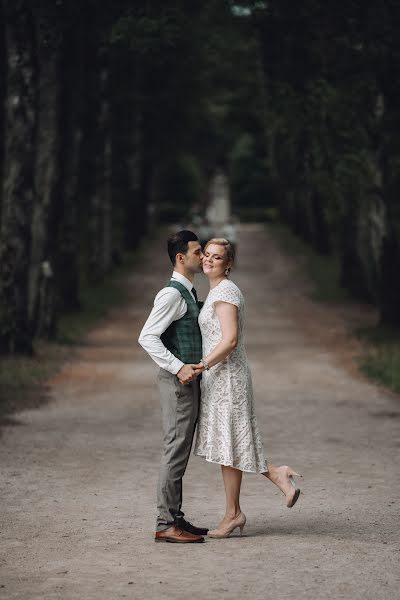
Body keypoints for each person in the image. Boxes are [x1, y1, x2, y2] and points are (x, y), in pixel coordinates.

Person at [181, 237, 302, 539]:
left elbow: (230, 340)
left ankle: (241, 507)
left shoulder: (225, 293)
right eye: (206, 255)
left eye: (217, 257)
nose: (208, 260)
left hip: (228, 378)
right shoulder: (217, 291)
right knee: (229, 444)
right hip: (219, 377)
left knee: (230, 443)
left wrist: (203, 365)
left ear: (229, 263)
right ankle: (252, 496)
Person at [138, 230, 209, 543]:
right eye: (197, 252)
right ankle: (165, 523)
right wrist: (178, 367)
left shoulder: (188, 292)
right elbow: (147, 336)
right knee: (175, 449)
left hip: (187, 381)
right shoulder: (171, 294)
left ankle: (175, 517)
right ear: (181, 258)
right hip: (176, 382)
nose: (202, 256)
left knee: (180, 450)